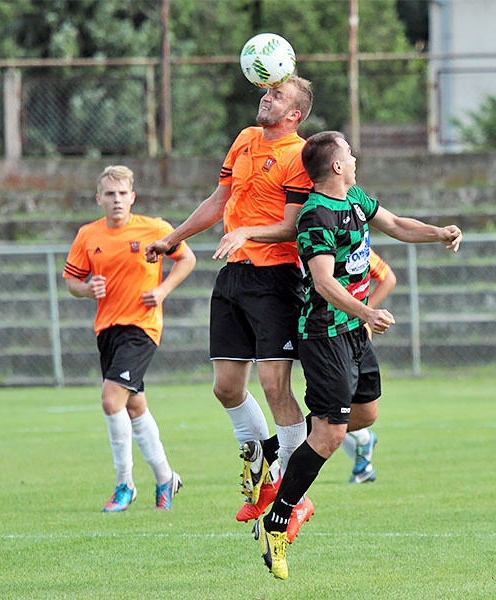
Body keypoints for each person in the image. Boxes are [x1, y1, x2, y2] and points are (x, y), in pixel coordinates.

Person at [253, 130, 462, 579]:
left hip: (353, 332)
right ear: (335, 166)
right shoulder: (315, 216)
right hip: (325, 334)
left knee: (365, 415)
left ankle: (272, 446)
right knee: (330, 435)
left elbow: (397, 224)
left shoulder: (354, 199)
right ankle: (279, 520)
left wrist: (438, 232)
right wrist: (369, 310)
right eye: (348, 153)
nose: (354, 157)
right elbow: (325, 283)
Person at [144, 76, 315, 527]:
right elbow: (219, 200)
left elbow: (293, 226)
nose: (266, 97)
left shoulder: (300, 155)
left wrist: (247, 231)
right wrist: (171, 238)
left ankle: (292, 495)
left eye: (277, 96)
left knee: (276, 388)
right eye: (268, 92)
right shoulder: (243, 139)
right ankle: (268, 479)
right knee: (225, 387)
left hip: (276, 278)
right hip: (233, 275)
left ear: (294, 115)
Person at [63, 165, 196, 512]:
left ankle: (124, 484)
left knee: (111, 399)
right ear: (99, 199)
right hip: (107, 329)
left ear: (132, 197)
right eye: (110, 194)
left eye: (123, 194)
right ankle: (166, 477)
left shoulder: (154, 228)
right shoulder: (87, 236)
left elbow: (187, 258)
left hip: (142, 327)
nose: (117, 200)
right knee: (134, 405)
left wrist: (163, 289)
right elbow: (72, 282)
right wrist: (87, 289)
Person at [339, 249, 396, 483]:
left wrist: (362, 312)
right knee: (328, 406)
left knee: (334, 408)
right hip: (323, 334)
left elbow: (388, 278)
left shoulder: (349, 239)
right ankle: (363, 461)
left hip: (350, 337)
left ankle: (363, 444)